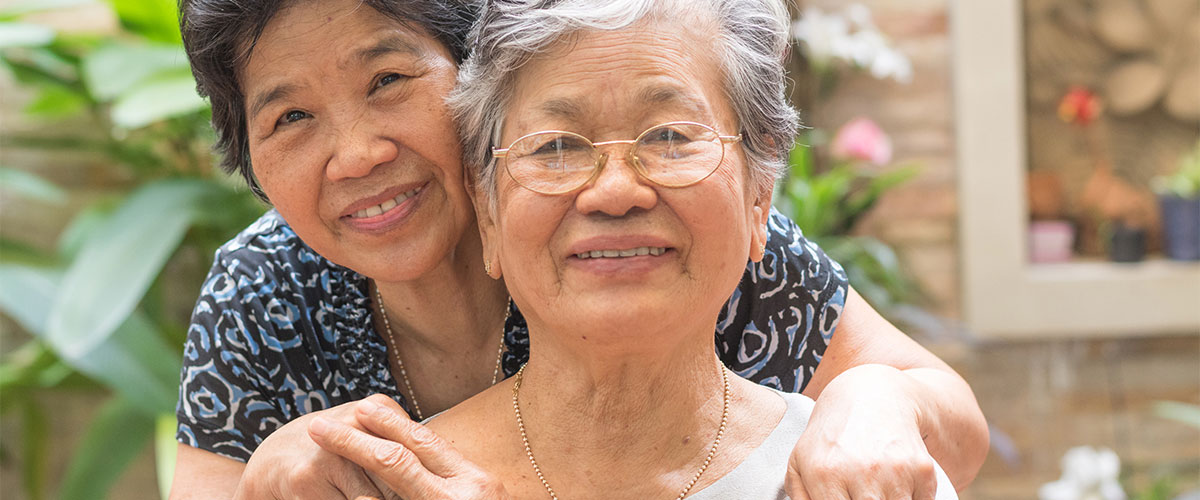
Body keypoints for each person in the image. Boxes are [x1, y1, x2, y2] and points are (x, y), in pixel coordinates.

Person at [169, 0, 988, 498]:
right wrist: (263, 480)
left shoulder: (683, 229)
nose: (356, 155)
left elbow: (945, 418)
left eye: (387, 80)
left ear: (473, 78)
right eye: (289, 118)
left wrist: (874, 397)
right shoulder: (262, 289)